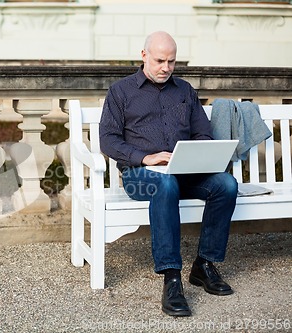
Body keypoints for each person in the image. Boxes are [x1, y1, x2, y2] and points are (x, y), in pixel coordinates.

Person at [99, 31, 238, 317]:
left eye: (171, 62)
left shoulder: (185, 90)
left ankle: (204, 265)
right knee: (164, 183)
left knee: (226, 184)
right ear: (144, 56)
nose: (166, 67)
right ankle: (172, 278)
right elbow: (108, 140)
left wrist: (197, 153)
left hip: (184, 172)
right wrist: (146, 157)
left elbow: (202, 132)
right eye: (160, 60)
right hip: (141, 176)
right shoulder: (120, 92)